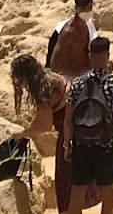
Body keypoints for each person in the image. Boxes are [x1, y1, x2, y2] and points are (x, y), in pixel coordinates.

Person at [62, 35, 113, 214]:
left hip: (82, 145)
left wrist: (67, 144)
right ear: (108, 55)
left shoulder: (77, 83)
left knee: (76, 197)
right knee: (108, 197)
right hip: (108, 146)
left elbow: (68, 119)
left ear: (90, 55)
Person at [45, 0, 98, 210]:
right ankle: (75, 205)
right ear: (90, 6)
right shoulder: (88, 27)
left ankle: (65, 207)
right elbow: (94, 60)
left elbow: (50, 60)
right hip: (77, 92)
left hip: (59, 91)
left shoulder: (60, 27)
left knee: (64, 146)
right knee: (78, 147)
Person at [6, 52, 69, 196]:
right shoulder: (48, 76)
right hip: (76, 123)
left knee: (65, 179)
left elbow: (44, 124)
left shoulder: (43, 88)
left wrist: (23, 134)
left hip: (71, 129)